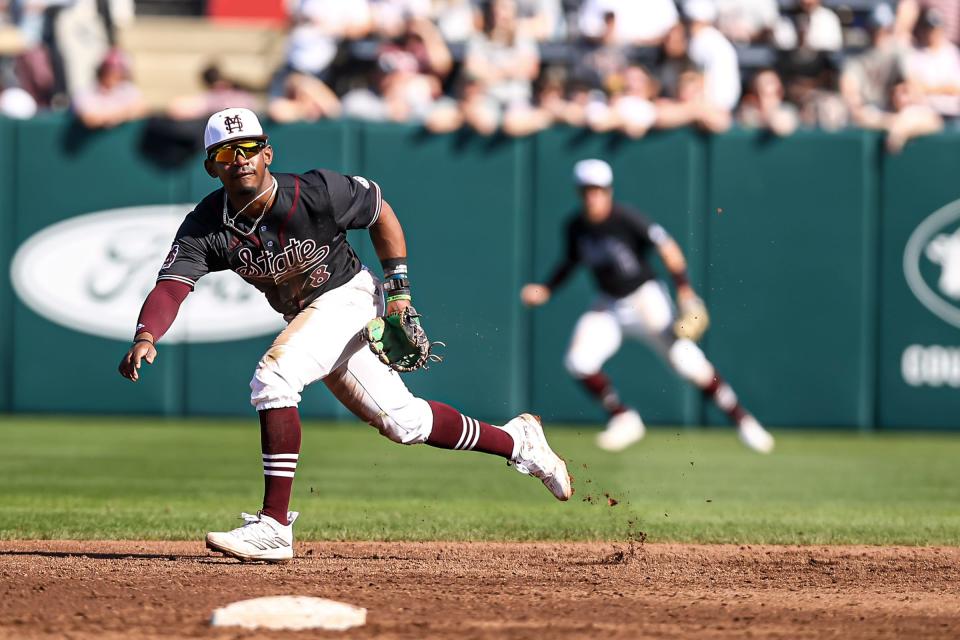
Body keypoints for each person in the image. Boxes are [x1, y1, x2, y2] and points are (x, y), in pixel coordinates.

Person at [117, 107, 571, 563]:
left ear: (268, 153)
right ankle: (520, 443)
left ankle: (274, 526)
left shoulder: (314, 192)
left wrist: (398, 293)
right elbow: (173, 286)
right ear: (211, 165)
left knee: (274, 380)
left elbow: (380, 211)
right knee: (404, 422)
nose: (241, 159)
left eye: (251, 148)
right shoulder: (206, 226)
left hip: (349, 297)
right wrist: (146, 335)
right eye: (227, 151)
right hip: (310, 313)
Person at [520, 159, 774, 455]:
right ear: (579, 192)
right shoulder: (575, 226)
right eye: (587, 190)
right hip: (609, 304)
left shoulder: (626, 218)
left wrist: (685, 290)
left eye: (598, 189)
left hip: (645, 299)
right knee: (578, 361)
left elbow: (667, 247)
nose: (593, 196)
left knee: (687, 362)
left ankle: (742, 419)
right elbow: (570, 262)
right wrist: (547, 288)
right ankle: (623, 417)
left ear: (609, 191)